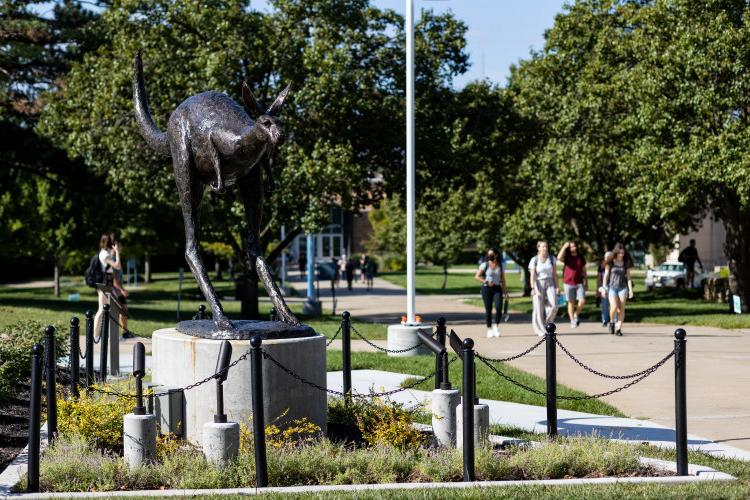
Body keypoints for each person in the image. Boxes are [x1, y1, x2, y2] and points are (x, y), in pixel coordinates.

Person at [93, 233, 122, 337]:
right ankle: (103, 336)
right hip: (105, 284)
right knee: (105, 310)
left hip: (106, 283)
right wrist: (117, 252)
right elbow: (117, 266)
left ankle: (99, 336)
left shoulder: (105, 253)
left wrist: (114, 253)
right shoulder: (104, 254)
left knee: (106, 309)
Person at [475, 247, 507, 338]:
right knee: (488, 309)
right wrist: (486, 281)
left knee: (499, 307)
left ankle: (496, 326)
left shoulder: (501, 265)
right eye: (489, 254)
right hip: (486, 289)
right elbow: (477, 276)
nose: (490, 256)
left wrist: (505, 291)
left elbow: (503, 280)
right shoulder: (484, 265)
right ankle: (489, 329)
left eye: (492, 254)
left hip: (497, 288)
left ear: (496, 255)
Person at [529, 241, 559, 336]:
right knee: (538, 307)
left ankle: (547, 322)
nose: (545, 248)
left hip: (550, 282)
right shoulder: (534, 260)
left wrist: (557, 286)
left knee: (554, 305)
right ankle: (539, 329)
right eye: (543, 247)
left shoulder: (551, 258)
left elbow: (554, 273)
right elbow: (532, 275)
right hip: (538, 282)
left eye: (546, 246)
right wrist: (533, 288)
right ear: (538, 248)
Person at [603, 242, 634, 336]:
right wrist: (604, 288)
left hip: (623, 288)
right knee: (614, 307)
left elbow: (628, 277)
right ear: (616, 252)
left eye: (623, 253)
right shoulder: (611, 262)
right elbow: (606, 275)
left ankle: (618, 329)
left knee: (621, 309)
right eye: (619, 253)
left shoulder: (625, 263)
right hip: (612, 287)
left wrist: (630, 290)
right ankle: (612, 322)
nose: (621, 254)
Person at [109, 233, 133, 338]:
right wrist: (122, 289)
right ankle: (120, 333)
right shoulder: (112, 259)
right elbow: (113, 279)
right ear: (115, 246)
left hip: (118, 290)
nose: (121, 247)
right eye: (120, 245)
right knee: (121, 311)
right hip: (115, 290)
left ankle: (125, 332)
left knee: (124, 310)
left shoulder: (115, 258)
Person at [557, 241, 587, 328]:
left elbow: (584, 270)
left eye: (574, 246)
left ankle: (576, 314)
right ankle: (572, 320)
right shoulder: (567, 257)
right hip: (568, 282)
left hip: (579, 282)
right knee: (571, 302)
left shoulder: (580, 257)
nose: (573, 248)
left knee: (582, 300)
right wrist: (564, 246)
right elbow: (559, 257)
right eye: (571, 247)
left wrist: (586, 282)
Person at [596, 251, 613, 327]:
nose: (608, 258)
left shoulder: (613, 265)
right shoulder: (601, 266)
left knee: (613, 304)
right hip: (604, 286)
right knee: (604, 305)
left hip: (613, 286)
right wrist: (598, 289)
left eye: (610, 257)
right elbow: (598, 278)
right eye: (607, 257)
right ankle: (605, 320)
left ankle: (614, 320)